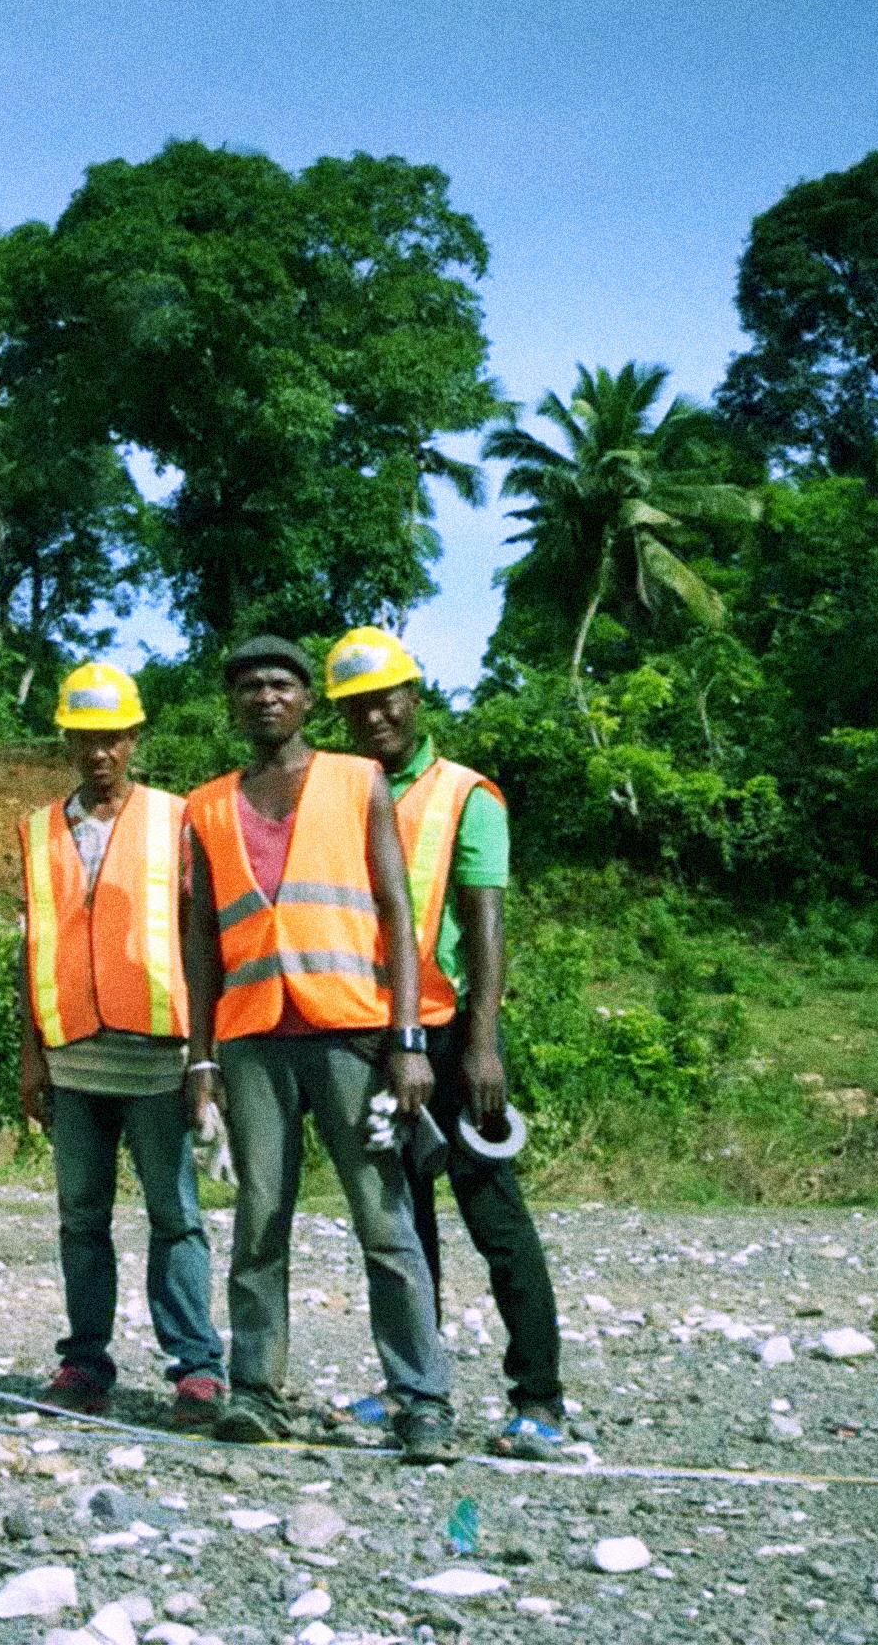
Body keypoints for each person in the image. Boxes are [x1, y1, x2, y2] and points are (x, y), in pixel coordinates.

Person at [180, 633, 457, 1459]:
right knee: (260, 1219)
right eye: (249, 687)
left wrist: (408, 1039)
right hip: (254, 1038)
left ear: (307, 700)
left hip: (350, 1034)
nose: (265, 697)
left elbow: (400, 915)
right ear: (233, 707)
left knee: (384, 1221)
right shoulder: (206, 807)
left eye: (281, 684)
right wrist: (200, 1059)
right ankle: (255, 1391)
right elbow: (200, 940)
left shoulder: (358, 779)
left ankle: (422, 1401)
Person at [323, 626, 577, 1461]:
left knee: (494, 1217)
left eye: (385, 698)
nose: (373, 717)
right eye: (355, 706)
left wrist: (483, 1044)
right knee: (403, 1226)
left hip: (447, 1032)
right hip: (369, 1034)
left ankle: (538, 1399)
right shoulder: (338, 793)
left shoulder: (465, 795)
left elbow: (486, 926)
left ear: (415, 696)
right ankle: (411, 1386)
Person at [15, 661, 227, 1429]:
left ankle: (197, 1369)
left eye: (112, 738)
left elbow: (203, 940)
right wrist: (31, 1054)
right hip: (72, 1056)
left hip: (157, 1056)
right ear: (68, 739)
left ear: (134, 739)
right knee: (81, 1218)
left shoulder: (177, 819)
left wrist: (205, 1055)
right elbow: (33, 943)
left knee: (175, 1216)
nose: (98, 751)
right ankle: (85, 1363)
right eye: (84, 737)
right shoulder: (41, 829)